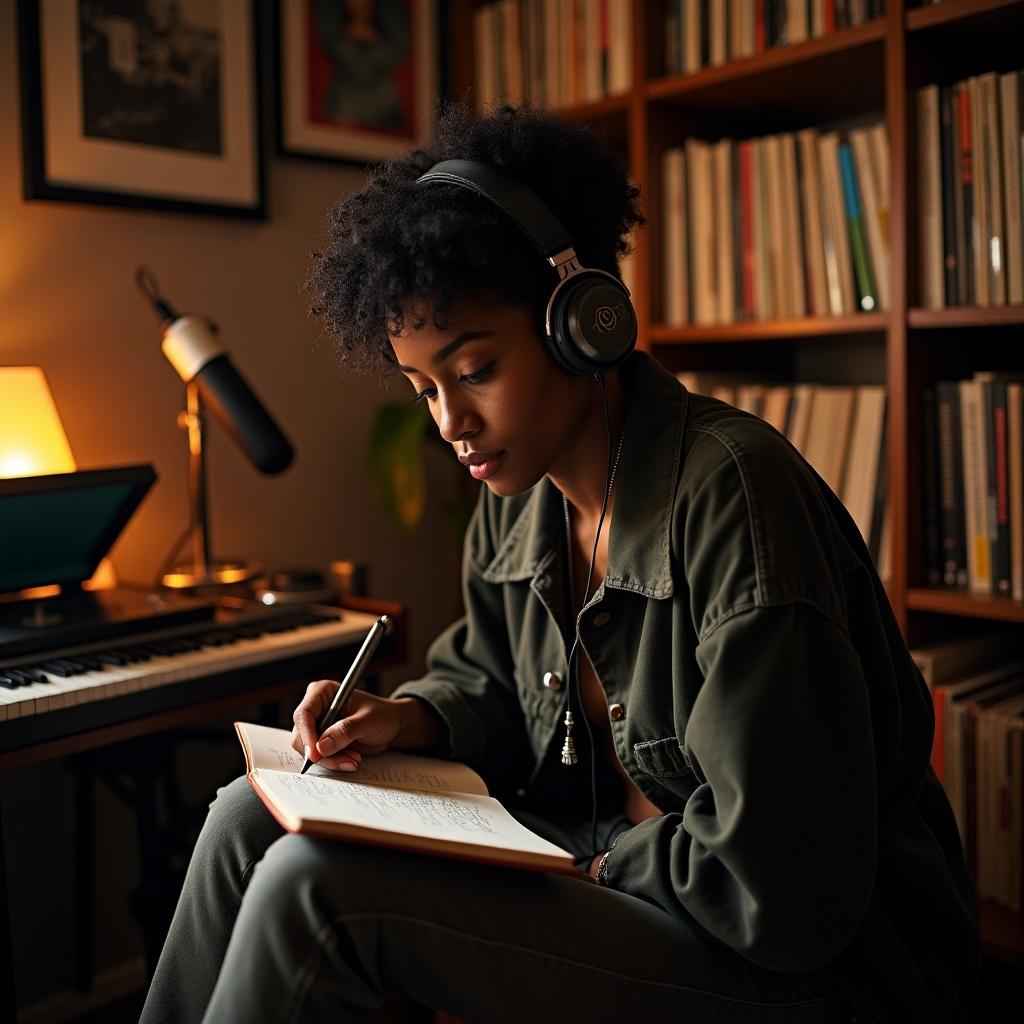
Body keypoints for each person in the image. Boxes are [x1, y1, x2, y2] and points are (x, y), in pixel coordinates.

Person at [139, 102, 979, 1024]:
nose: (451, 424)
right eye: (424, 389)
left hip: (794, 961)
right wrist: (411, 716)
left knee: (317, 888)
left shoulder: (736, 494)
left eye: (474, 370)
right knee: (244, 816)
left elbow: (777, 886)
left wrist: (591, 860)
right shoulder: (518, 502)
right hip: (611, 875)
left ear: (584, 324)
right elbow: (492, 682)